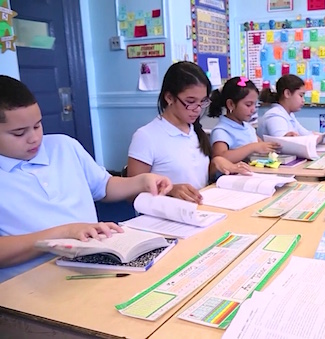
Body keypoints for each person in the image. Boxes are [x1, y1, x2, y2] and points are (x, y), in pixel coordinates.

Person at [0, 75, 172, 283]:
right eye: (19, 133)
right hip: (32, 284)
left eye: (37, 126)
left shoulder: (63, 147)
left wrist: (141, 181)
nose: (34, 138)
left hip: (93, 266)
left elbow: (104, 186)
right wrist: (64, 232)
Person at [127, 62, 251, 204]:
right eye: (190, 102)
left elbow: (196, 175)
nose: (197, 109)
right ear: (169, 97)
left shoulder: (194, 131)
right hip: (164, 217)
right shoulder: (146, 136)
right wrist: (171, 190)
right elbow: (132, 193)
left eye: (202, 102)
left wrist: (216, 163)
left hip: (200, 211)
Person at [257, 74, 325, 144]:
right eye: (301, 95)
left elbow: (307, 134)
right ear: (287, 94)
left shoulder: (289, 115)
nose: (303, 100)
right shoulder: (275, 116)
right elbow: (282, 145)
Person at [208, 76, 280, 163]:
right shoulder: (221, 131)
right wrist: (252, 147)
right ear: (231, 104)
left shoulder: (248, 127)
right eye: (248, 105)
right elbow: (220, 158)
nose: (253, 109)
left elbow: (260, 146)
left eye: (255, 105)